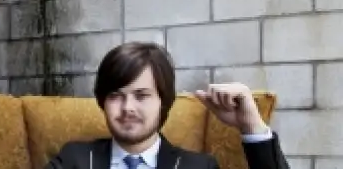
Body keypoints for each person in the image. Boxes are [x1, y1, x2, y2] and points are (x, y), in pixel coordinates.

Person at [45, 42, 289, 169]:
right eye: (116, 96)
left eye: (141, 96)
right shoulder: (74, 158)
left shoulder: (198, 166)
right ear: (102, 102)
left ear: (163, 102)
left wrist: (252, 127)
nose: (128, 107)